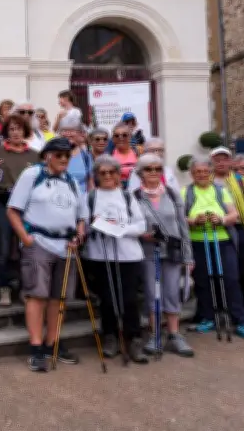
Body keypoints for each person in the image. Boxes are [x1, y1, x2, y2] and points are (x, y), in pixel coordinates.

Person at [6, 137, 86, 372]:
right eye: (58, 154)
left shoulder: (72, 181)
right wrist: (25, 238)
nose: (63, 159)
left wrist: (79, 234)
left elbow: (81, 216)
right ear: (47, 155)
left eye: (67, 156)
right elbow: (12, 210)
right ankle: (36, 348)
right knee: (37, 296)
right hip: (39, 242)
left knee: (58, 298)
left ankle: (53, 344)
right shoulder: (32, 175)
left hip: (66, 246)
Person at [84, 155, 149, 364]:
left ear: (118, 174)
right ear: (96, 175)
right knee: (107, 299)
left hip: (128, 255)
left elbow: (140, 226)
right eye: (103, 173)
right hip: (100, 255)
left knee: (129, 299)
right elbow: (83, 225)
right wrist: (95, 224)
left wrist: (118, 228)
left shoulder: (128, 196)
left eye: (112, 172)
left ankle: (134, 339)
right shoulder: (90, 197)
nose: (108, 176)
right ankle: (110, 337)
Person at [133, 154, 195, 357]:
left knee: (171, 292)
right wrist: (143, 234)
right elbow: (131, 225)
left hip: (173, 251)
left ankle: (175, 334)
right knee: (152, 292)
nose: (153, 173)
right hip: (148, 252)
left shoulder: (172, 193)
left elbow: (183, 226)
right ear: (140, 173)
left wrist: (188, 256)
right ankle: (155, 334)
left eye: (157, 169)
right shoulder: (133, 196)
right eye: (148, 169)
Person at [184, 157, 244, 339]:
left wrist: (221, 219)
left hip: (222, 239)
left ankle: (240, 320)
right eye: (198, 172)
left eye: (205, 171)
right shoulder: (186, 192)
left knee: (230, 278)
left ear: (210, 173)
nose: (202, 175)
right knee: (203, 280)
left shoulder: (220, 190)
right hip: (198, 241)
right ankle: (208, 317)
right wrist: (193, 220)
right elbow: (180, 219)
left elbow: (234, 214)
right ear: (192, 174)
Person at [0, 113, 40, 306]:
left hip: (28, 206)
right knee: (3, 247)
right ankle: (4, 287)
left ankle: (25, 287)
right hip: (4, 203)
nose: (16, 132)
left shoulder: (34, 156)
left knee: (26, 246)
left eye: (19, 128)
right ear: (6, 132)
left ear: (25, 131)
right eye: (12, 129)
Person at [210, 146, 244, 309]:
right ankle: (221, 304)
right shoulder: (207, 180)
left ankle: (243, 303)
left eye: (224, 159)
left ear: (230, 161)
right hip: (216, 228)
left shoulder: (243, 182)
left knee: (241, 267)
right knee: (219, 267)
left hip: (239, 227)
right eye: (217, 159)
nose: (221, 163)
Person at [58, 116, 94, 194]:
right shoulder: (53, 155)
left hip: (81, 201)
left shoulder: (86, 156)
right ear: (60, 133)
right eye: (64, 130)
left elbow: (90, 182)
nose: (68, 134)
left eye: (72, 130)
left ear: (79, 133)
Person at [111, 124, 138, 188]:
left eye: (124, 135)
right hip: (117, 191)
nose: (121, 138)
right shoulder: (108, 155)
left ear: (130, 137)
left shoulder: (139, 152)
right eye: (117, 136)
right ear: (113, 138)